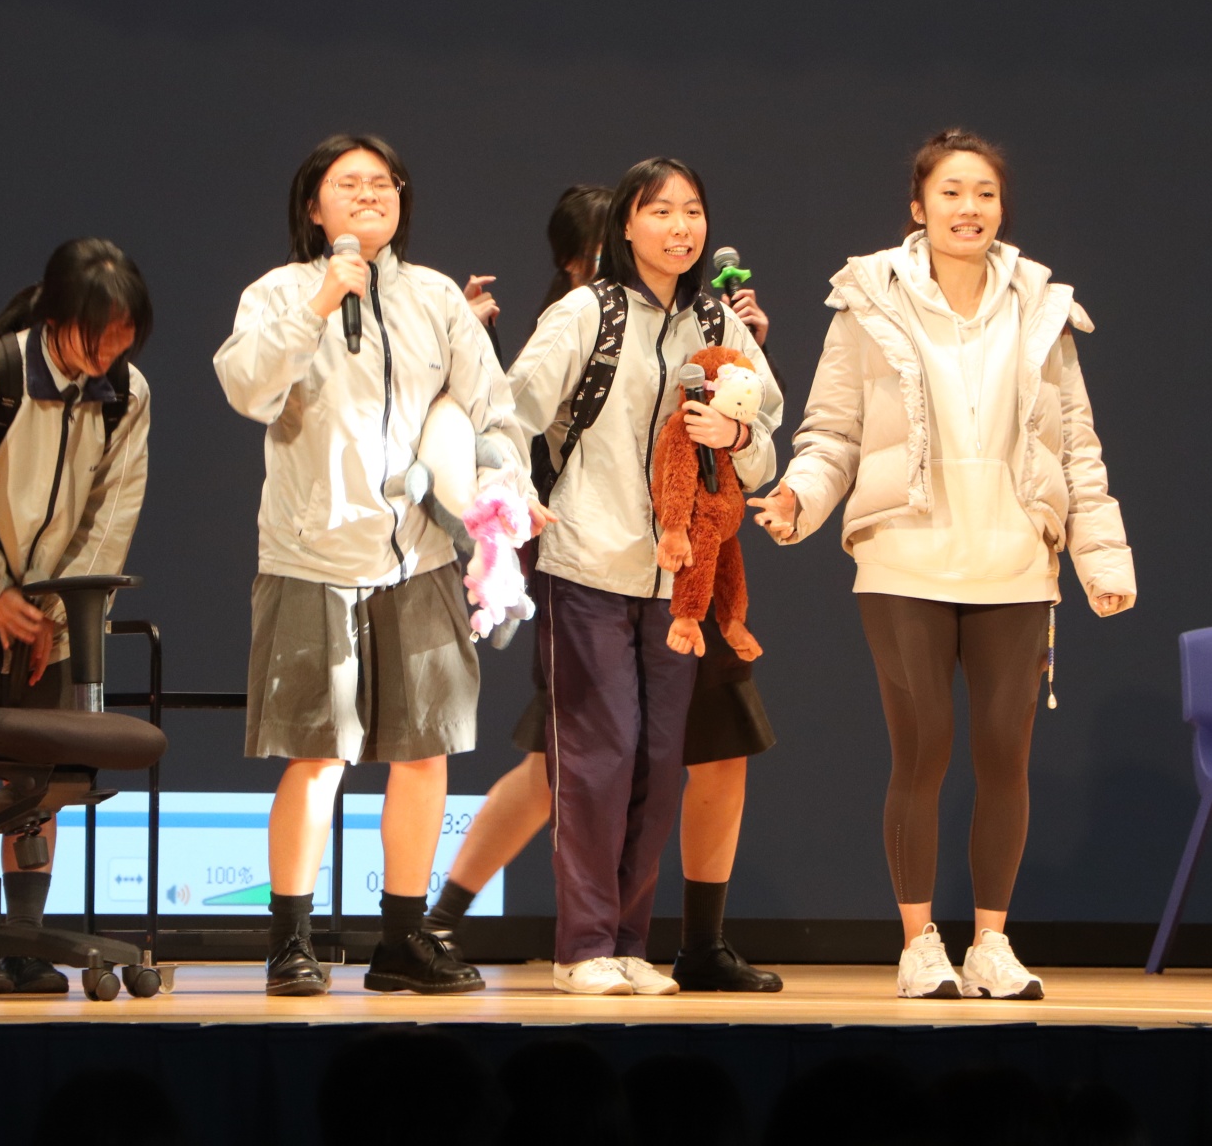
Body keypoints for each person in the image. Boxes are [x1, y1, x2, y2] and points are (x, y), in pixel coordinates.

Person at [749, 129, 1136, 1000]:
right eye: (952, 192)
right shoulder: (866, 302)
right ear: (917, 207)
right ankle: (918, 943)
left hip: (1014, 560)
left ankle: (991, 943)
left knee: (1005, 756)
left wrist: (1100, 558)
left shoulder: (1040, 308)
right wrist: (799, 497)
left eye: (985, 194)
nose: (970, 208)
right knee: (922, 751)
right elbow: (834, 432)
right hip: (905, 557)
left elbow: (1076, 446)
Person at [426, 183, 786, 991]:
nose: (679, 227)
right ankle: (583, 948)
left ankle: (628, 944)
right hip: (586, 563)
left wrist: (736, 434)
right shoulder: (588, 311)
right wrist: (513, 489)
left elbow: (763, 440)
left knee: (658, 763)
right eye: (660, 211)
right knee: (599, 759)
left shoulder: (718, 323)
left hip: (678, 580)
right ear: (627, 224)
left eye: (692, 212)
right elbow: (510, 412)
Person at [213, 132, 535, 996]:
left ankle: (402, 938)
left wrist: (507, 487)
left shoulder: (435, 297)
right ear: (312, 206)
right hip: (311, 555)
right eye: (348, 183)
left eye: (383, 183)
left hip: (419, 556)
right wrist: (322, 299)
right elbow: (247, 388)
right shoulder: (279, 293)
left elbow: (492, 409)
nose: (369, 195)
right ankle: (291, 938)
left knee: (425, 754)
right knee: (317, 756)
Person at [0, 237, 153, 995]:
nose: (111, 353)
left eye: (125, 336)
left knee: (42, 779)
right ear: (56, 318)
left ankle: (23, 943)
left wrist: (56, 608)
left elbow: (112, 515)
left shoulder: (126, 394)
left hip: (53, 620)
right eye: (98, 336)